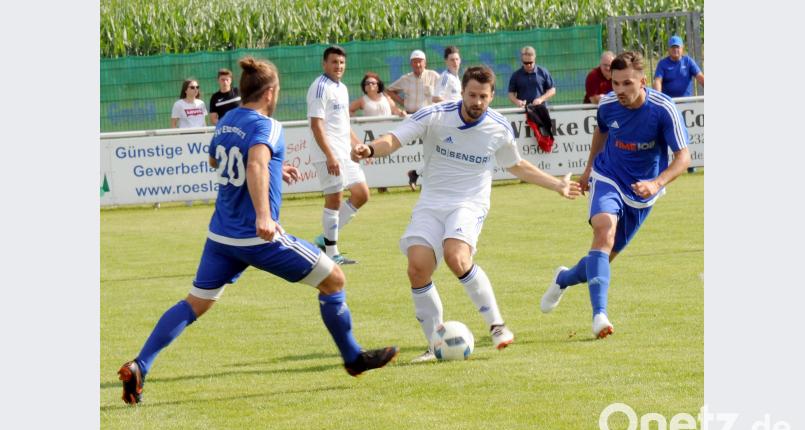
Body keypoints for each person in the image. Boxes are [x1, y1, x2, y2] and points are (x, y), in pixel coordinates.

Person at [117, 56, 398, 405]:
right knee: (335, 280)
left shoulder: (229, 119)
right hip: (257, 238)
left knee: (195, 304)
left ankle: (140, 364)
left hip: (221, 237)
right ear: (270, 92)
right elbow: (252, 163)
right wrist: (264, 213)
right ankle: (353, 358)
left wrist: (274, 169)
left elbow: (217, 160)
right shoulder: (269, 126)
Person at [351, 66, 581, 363]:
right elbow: (394, 139)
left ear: (492, 96)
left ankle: (497, 326)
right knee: (417, 267)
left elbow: (517, 165)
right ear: (462, 92)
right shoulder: (435, 115)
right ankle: (435, 345)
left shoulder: (499, 127)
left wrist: (556, 184)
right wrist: (369, 149)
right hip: (431, 203)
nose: (477, 102)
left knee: (456, 257)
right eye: (472, 95)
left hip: (469, 203)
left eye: (483, 97)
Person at [539, 51, 691, 339]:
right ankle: (599, 316)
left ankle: (563, 278)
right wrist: (587, 171)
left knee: (602, 259)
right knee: (604, 231)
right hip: (608, 176)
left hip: (642, 193)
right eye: (615, 83)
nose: (619, 90)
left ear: (643, 81)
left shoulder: (663, 108)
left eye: (627, 84)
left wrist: (656, 184)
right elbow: (601, 132)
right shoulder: (608, 103)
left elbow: (683, 157)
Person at [307, 46, 370, 265]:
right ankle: (332, 252)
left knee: (361, 194)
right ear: (324, 64)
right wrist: (330, 156)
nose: (339, 66)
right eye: (334, 62)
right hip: (328, 153)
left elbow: (344, 123)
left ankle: (324, 240)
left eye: (342, 62)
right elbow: (317, 125)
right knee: (334, 199)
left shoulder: (341, 88)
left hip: (344, 153)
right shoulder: (319, 87)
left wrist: (360, 145)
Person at [407, 46, 463, 191]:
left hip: (457, 121)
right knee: (446, 153)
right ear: (446, 61)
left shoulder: (456, 77)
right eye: (452, 60)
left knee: (445, 154)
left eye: (457, 59)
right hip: (446, 121)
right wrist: (453, 106)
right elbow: (436, 98)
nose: (455, 62)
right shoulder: (445, 77)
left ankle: (416, 173)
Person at [653, 36, 703, 173]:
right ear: (668, 49)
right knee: (667, 136)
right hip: (669, 107)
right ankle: (663, 166)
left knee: (686, 136)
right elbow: (658, 81)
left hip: (687, 106)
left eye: (678, 47)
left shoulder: (688, 61)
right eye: (673, 47)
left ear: (682, 48)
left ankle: (690, 165)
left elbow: (700, 77)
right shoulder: (663, 64)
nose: (675, 50)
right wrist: (658, 98)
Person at [386, 50, 440, 115]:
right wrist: (403, 102)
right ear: (411, 64)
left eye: (420, 61)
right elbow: (389, 91)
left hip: (428, 116)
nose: (417, 64)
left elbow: (444, 92)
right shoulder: (405, 79)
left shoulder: (433, 76)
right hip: (410, 116)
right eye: (414, 62)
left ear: (425, 63)